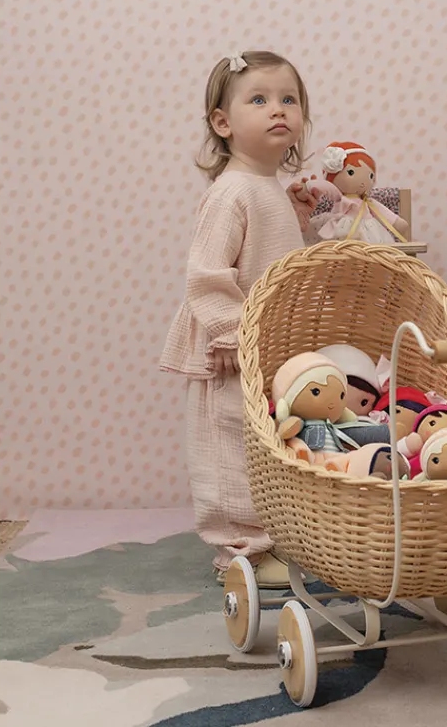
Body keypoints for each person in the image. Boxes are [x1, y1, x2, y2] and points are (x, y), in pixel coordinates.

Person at [159, 51, 317, 587]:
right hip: (228, 348)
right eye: (259, 99)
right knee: (228, 444)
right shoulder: (231, 192)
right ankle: (239, 549)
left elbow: (269, 259)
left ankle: (270, 534)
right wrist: (229, 331)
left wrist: (297, 217)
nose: (278, 109)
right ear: (223, 123)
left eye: (288, 99)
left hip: (259, 343)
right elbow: (207, 273)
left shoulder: (264, 187)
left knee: (262, 440)